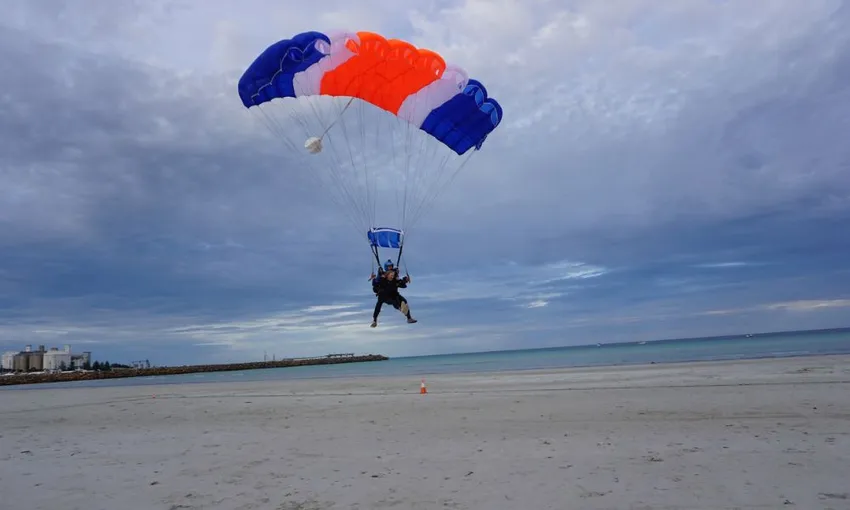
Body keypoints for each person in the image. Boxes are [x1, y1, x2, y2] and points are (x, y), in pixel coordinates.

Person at [370, 260, 417, 327]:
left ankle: (409, 318)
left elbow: (401, 284)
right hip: (384, 296)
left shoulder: (395, 279)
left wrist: (406, 280)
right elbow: (375, 284)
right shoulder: (382, 279)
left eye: (393, 275)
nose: (392, 276)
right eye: (391, 275)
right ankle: (374, 320)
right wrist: (373, 278)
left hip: (393, 294)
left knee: (404, 301)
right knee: (386, 303)